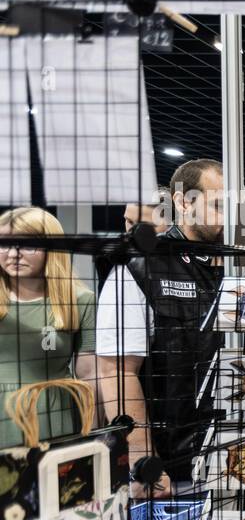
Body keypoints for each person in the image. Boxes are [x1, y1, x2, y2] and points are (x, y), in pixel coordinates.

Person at [97, 158, 225, 497]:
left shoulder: (235, 269)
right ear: (183, 202)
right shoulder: (138, 268)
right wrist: (143, 460)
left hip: (231, 457)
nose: (227, 216)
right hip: (170, 466)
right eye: (217, 205)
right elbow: (116, 372)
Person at [0, 208, 98, 448]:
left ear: (52, 250)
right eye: (4, 244)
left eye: (28, 245)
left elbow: (90, 376)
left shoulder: (80, 300)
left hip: (54, 416)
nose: (14, 254)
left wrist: (96, 435)